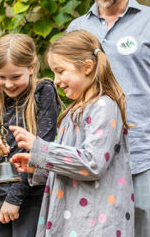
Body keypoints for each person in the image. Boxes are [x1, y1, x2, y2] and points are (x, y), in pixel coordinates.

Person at [66, 0, 150, 236]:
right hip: (93, 155)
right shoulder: (77, 29)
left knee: (146, 226)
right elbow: (69, 87)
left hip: (144, 153)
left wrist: (149, 123)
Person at [10, 30, 134, 236]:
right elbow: (72, 165)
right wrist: (37, 167)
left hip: (94, 225)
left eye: (61, 71)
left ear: (87, 67)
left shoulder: (103, 106)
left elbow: (92, 163)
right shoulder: (75, 111)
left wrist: (40, 147)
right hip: (74, 220)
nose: (56, 80)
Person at [0, 34, 60, 237]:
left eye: (15, 77)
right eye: (2, 77)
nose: (8, 84)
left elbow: (40, 152)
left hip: (31, 195)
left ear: (31, 66)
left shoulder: (43, 93)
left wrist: (14, 199)